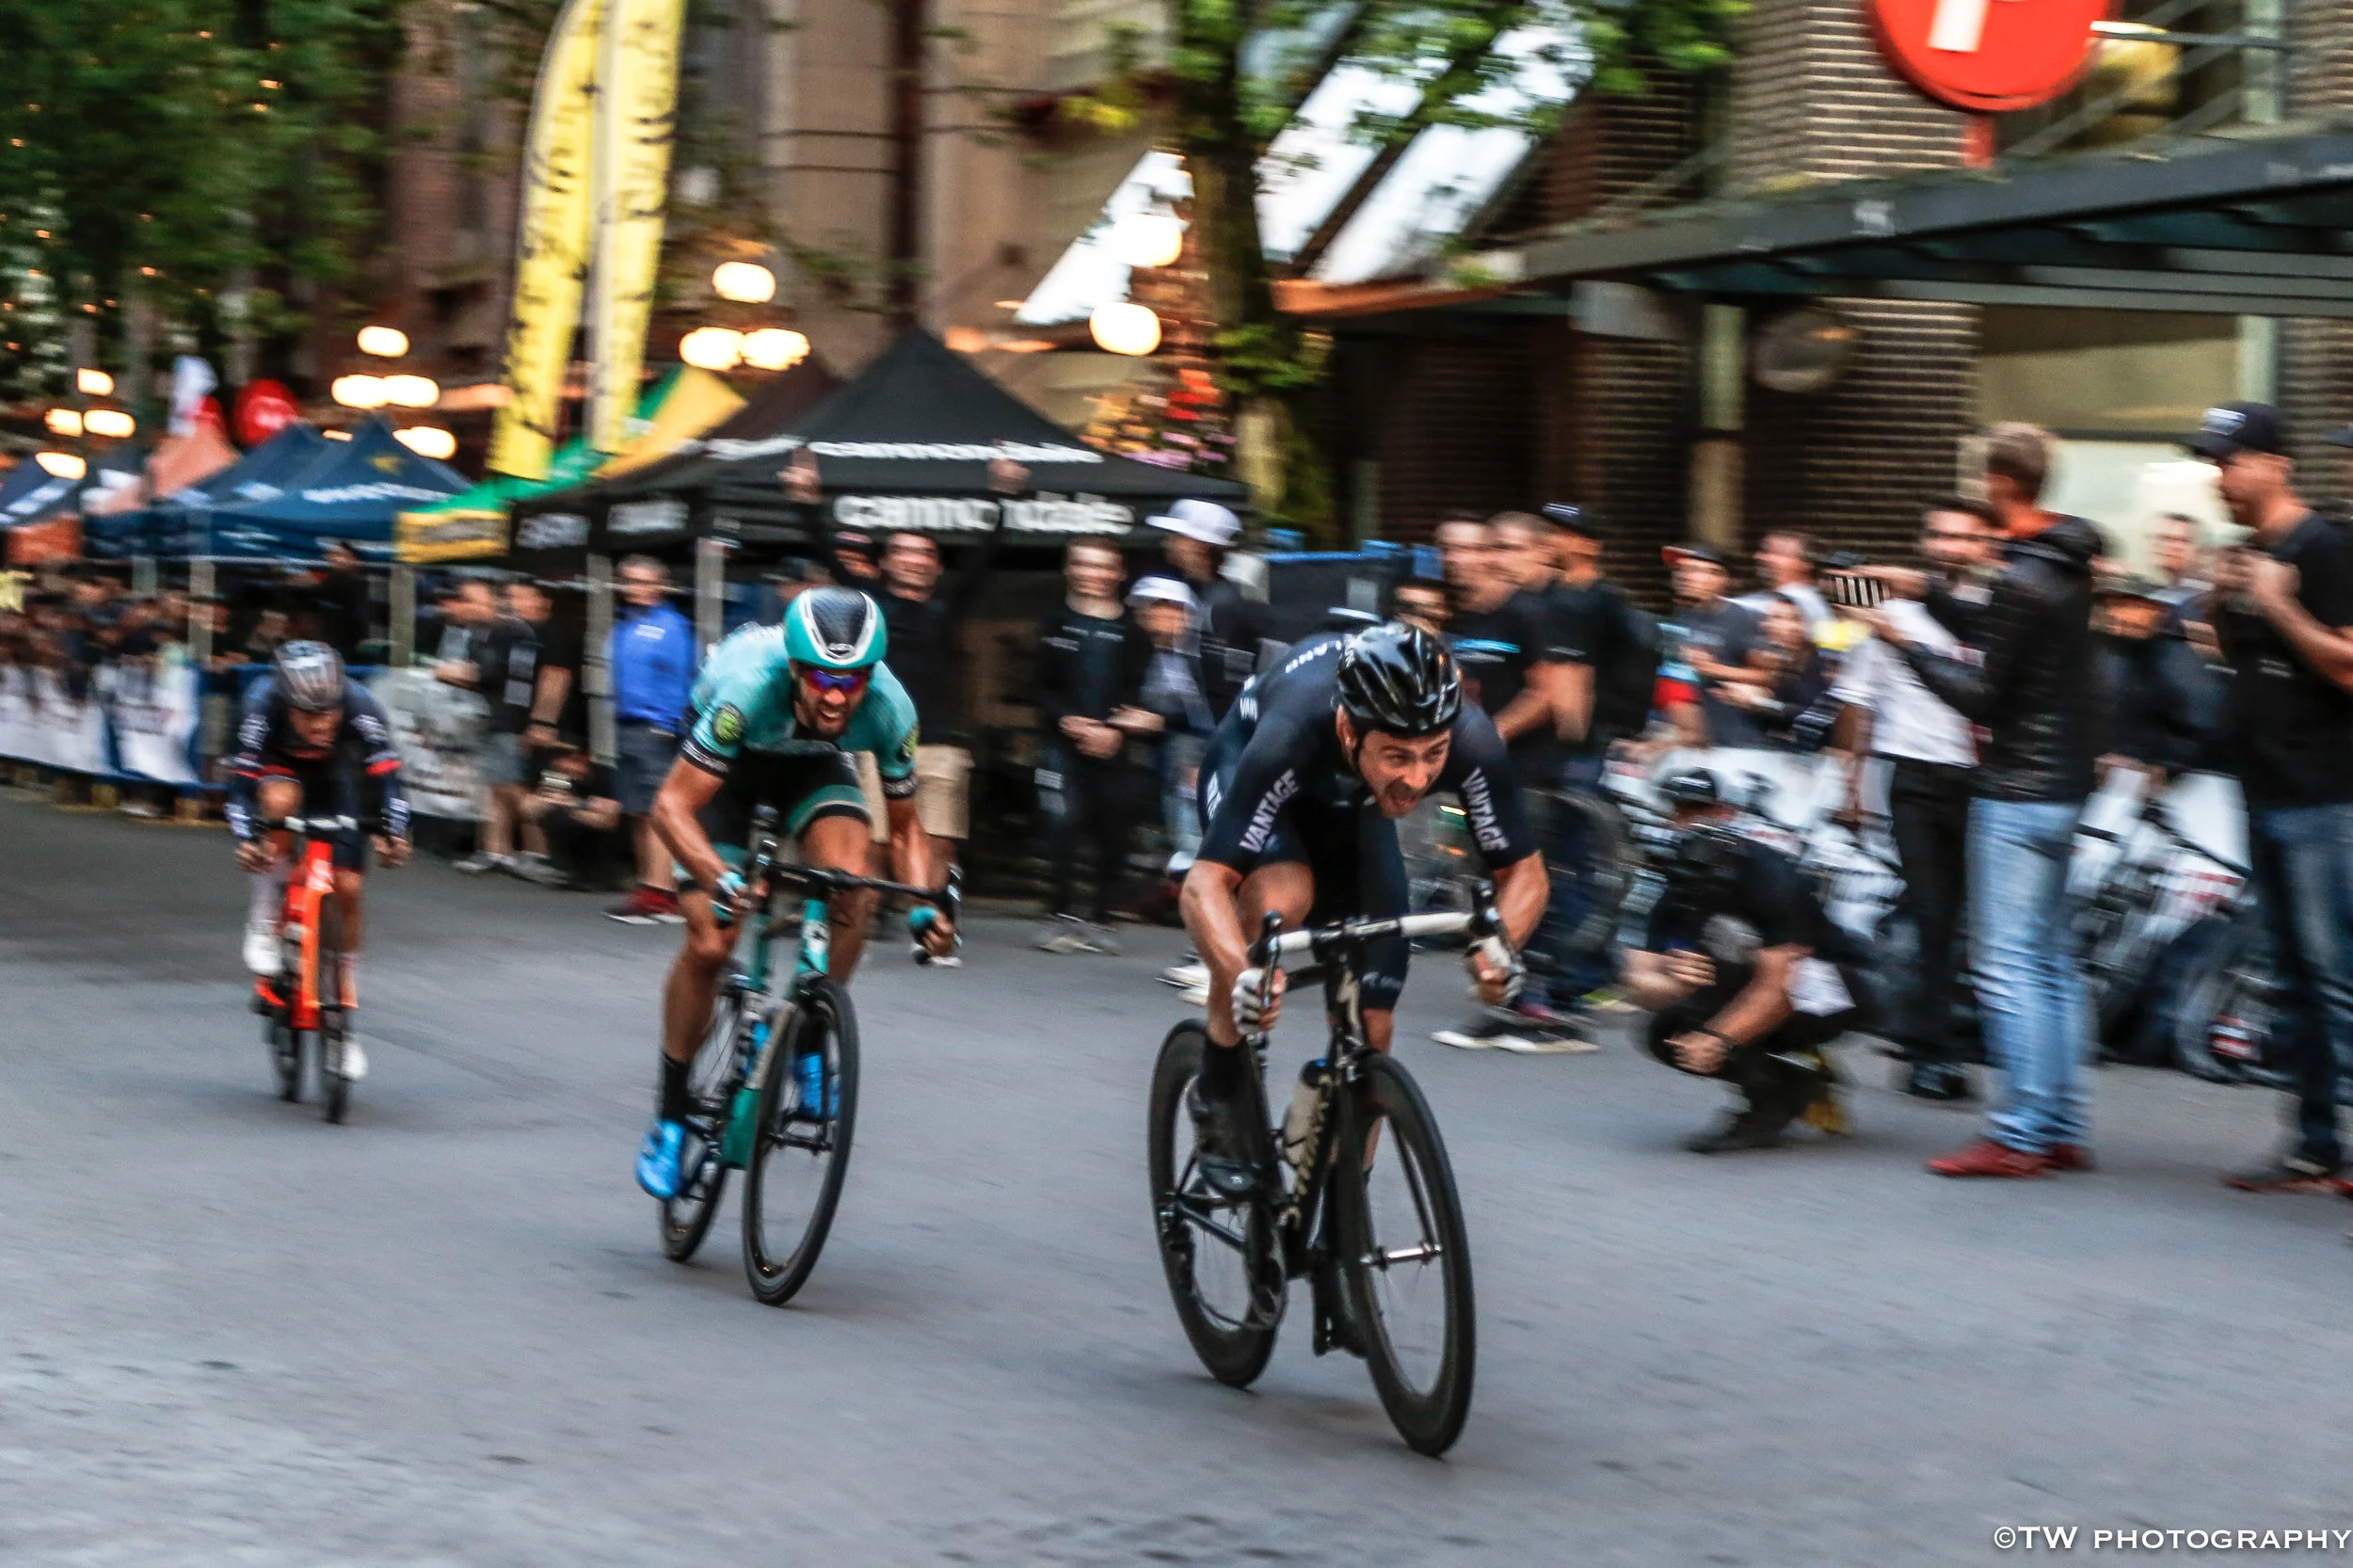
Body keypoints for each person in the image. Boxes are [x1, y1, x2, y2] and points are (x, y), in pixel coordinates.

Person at [1179, 623, 1549, 1186]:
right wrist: (1241, 975)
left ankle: (1344, 1199)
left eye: (1433, 755)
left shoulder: (1469, 738)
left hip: (1354, 802)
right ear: (1349, 729)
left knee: (1373, 1025)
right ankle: (1220, 1083)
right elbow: (1203, 884)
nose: (1417, 779)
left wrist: (1502, 949)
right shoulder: (1291, 731)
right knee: (1283, 900)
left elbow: (1525, 872)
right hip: (1253, 773)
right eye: (1398, 756)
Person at [633, 587, 956, 1199]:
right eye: (821, 678)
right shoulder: (748, 689)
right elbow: (670, 807)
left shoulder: (890, 707)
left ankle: (810, 1036)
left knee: (853, 886)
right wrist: (717, 876)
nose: (836, 696)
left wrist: (923, 905)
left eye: (851, 681)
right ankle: (671, 1116)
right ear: (794, 669)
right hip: (727, 771)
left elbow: (907, 829)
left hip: (811, 766)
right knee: (712, 942)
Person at [1860, 423, 2101, 1178]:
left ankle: (2021, 1132)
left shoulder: (2024, 575)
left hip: (2019, 788)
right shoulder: (2061, 563)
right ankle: (2056, 1124)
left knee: (2007, 966)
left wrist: (1904, 644)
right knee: (2050, 962)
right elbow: (2004, 635)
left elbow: (1982, 694)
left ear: (2000, 483)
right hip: (2060, 785)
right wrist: (1924, 591)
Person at [2183, 403, 2353, 1193]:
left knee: (2336, 980)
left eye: (2230, 461)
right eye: (2214, 464)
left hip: (2326, 798)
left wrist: (2280, 602)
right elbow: (2238, 656)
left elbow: (2346, 666)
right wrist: (2220, 602)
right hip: (2264, 793)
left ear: (2276, 465)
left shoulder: (2326, 550)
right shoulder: (2253, 551)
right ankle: (2315, 1149)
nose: (2219, 477)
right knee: (2291, 981)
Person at [1829, 498, 1996, 1102]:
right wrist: (1850, 783)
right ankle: (1928, 1052)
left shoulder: (2003, 610)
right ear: (1926, 543)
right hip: (1918, 779)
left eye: (1965, 538)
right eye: (1941, 536)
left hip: (1991, 780)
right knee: (1934, 915)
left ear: (1986, 546)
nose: (1952, 547)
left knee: (1980, 919)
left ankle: (1962, 1030)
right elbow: (1857, 700)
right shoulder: (1890, 611)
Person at [1621, 767, 1866, 1152]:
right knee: (1666, 1030)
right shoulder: (1674, 875)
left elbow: (1782, 985)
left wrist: (1718, 1038)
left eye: (1702, 810)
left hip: (1832, 990)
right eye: (1681, 811)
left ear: (1727, 814)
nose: (1690, 821)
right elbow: (1639, 980)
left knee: (1730, 1017)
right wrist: (1672, 981)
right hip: (1752, 982)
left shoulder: (1769, 874)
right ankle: (1795, 1082)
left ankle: (1769, 1103)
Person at [225, 642, 413, 1085]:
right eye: (309, 716)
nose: (322, 723)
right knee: (278, 803)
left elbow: (389, 779)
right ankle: (264, 915)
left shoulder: (360, 705)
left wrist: (395, 831)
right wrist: (248, 839)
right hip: (280, 768)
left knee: (348, 888)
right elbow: (239, 788)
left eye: (329, 713)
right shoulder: (261, 705)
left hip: (339, 775)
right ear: (286, 704)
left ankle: (342, 1009)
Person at [1430, 515, 1581, 1051]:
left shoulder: (1529, 613)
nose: (1463, 560)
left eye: (1484, 549)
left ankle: (1542, 1009)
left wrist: (1489, 735)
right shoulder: (1471, 617)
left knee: (1525, 882)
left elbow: (1548, 697)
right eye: (1451, 550)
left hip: (1529, 772)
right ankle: (1509, 1003)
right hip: (1482, 773)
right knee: (1488, 887)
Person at [1033, 538, 1152, 954]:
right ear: (1070, 569)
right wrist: (1066, 720)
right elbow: (1040, 687)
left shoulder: (1133, 630)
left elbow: (1143, 689)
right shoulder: (1054, 621)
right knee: (1060, 822)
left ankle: (1103, 917)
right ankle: (1060, 914)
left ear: (1119, 574)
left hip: (1115, 745)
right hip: (1062, 743)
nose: (1093, 574)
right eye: (1083, 564)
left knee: (1112, 830)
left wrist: (1117, 730)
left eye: (1103, 566)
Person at [857, 530, 988, 906]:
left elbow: (981, 560)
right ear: (884, 563)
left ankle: (930, 923)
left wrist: (1001, 505)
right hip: (880, 742)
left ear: (937, 566)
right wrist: (807, 508)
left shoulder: (947, 608)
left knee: (940, 843)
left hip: (942, 743)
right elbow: (835, 564)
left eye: (925, 553)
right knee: (874, 842)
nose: (914, 560)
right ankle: (862, 923)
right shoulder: (872, 608)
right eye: (902, 552)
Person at [456, 580, 576, 884]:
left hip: (529, 723)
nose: (515, 603)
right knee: (498, 784)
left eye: (523, 597)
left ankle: (539, 854)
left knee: (517, 787)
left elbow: (555, 680)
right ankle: (497, 851)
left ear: (543, 602)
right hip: (503, 717)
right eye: (512, 597)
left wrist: (543, 722)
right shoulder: (512, 633)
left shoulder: (550, 635)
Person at [603, 555, 696, 924]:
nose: (635, 588)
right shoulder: (624, 626)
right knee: (638, 811)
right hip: (627, 725)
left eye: (644, 582)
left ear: (661, 586)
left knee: (657, 811)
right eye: (630, 581)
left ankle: (662, 891)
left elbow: (682, 678)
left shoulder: (672, 627)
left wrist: (670, 724)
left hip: (657, 727)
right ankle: (649, 886)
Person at [1148, 498, 1265, 728]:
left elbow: (1225, 687)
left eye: (1176, 536)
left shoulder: (1221, 605)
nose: (1167, 542)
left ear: (1199, 545)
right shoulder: (1192, 592)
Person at [1124, 574, 1212, 877]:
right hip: (1160, 759)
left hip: (1197, 759)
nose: (1155, 617)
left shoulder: (1202, 655)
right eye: (1150, 610)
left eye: (1167, 609)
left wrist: (1161, 722)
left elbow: (1209, 712)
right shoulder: (1145, 654)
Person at [2094, 576, 2217, 781]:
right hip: (2103, 772)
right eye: (2117, 604)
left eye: (2135, 605)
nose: (2125, 613)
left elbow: (2198, 718)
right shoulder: (2104, 650)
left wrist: (2165, 767)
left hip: (2155, 775)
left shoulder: (2175, 657)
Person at [1660, 545, 1767, 749]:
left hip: (1735, 739)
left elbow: (1767, 676)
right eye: (1684, 570)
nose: (1686, 577)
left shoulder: (1743, 619)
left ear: (1721, 579)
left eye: (1696, 571)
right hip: (1691, 737)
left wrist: (1712, 669)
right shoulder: (1680, 617)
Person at [521, 737, 623, 888]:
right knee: (555, 816)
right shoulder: (557, 777)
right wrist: (552, 801)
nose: (564, 765)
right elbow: (527, 808)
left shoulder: (602, 774)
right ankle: (563, 868)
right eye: (561, 760)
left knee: (579, 818)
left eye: (572, 760)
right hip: (579, 820)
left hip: (607, 841)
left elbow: (611, 815)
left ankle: (600, 875)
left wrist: (572, 805)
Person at [1737, 531, 1833, 641]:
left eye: (1773, 552)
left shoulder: (1806, 601)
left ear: (1804, 564)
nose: (1759, 557)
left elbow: (1746, 609)